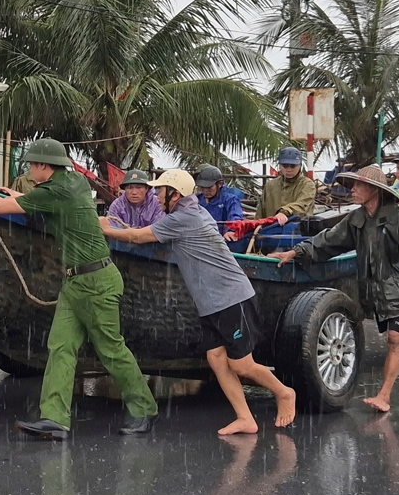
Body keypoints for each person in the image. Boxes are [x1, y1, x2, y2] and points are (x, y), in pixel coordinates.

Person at [0, 138, 159, 439]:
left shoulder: (55, 190)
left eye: (31, 165)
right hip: (76, 282)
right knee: (61, 347)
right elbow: (35, 203)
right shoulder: (74, 182)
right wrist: (13, 194)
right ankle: (55, 419)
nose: (29, 169)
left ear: (44, 166)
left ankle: (144, 408)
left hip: (96, 283)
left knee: (111, 349)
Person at [100, 169, 297, 433]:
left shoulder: (184, 217)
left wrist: (107, 229)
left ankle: (284, 393)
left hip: (231, 297)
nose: (156, 196)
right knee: (216, 358)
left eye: (160, 191)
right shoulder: (192, 212)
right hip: (211, 303)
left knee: (241, 364)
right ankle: (245, 418)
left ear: (175, 194)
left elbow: (137, 236)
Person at [269, 164, 399, 411]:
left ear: (374, 190)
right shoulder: (357, 219)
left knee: (395, 340)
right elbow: (328, 241)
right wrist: (296, 252)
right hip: (379, 293)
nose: (352, 190)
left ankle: (384, 396)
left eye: (358, 186)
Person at [258, 147, 316, 226]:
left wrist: (284, 212)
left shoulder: (308, 185)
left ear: (300, 166)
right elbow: (260, 214)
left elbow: (302, 204)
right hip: (269, 232)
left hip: (298, 232)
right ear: (280, 166)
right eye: (285, 166)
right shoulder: (270, 186)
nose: (289, 169)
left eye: (293, 166)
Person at [194, 164, 245, 241]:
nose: (205, 190)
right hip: (200, 240)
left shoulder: (230, 200)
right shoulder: (196, 199)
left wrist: (231, 231)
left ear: (220, 184)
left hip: (222, 240)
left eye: (209, 187)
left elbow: (235, 217)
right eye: (202, 187)